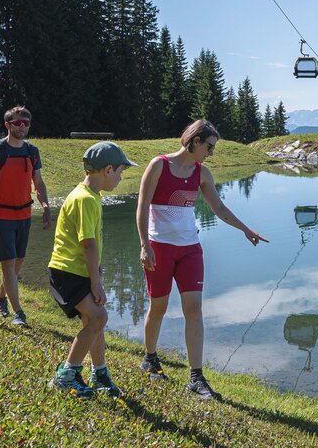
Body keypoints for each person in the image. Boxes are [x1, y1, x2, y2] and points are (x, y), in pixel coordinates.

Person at [135, 120, 269, 400]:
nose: (211, 153)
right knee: (157, 307)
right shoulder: (158, 165)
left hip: (190, 250)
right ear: (195, 141)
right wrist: (145, 245)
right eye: (209, 147)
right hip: (159, 247)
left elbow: (218, 207)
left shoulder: (202, 173)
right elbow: (143, 205)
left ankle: (196, 377)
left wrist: (246, 229)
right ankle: (150, 358)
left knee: (194, 310)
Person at [46, 142, 136, 398]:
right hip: (67, 273)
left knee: (93, 319)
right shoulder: (85, 199)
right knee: (99, 317)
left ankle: (99, 372)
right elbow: (88, 244)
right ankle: (67, 374)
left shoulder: (89, 196)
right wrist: (95, 282)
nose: (120, 178)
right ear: (107, 170)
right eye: (120, 172)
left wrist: (95, 276)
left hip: (78, 272)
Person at [0, 106, 52, 328]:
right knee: (8, 266)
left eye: (26, 122)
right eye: (17, 123)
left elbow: (39, 182)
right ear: (7, 125)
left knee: (17, 263)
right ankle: (19, 313)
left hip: (24, 214)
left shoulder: (32, 152)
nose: (22, 126)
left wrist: (45, 204)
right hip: (0, 215)